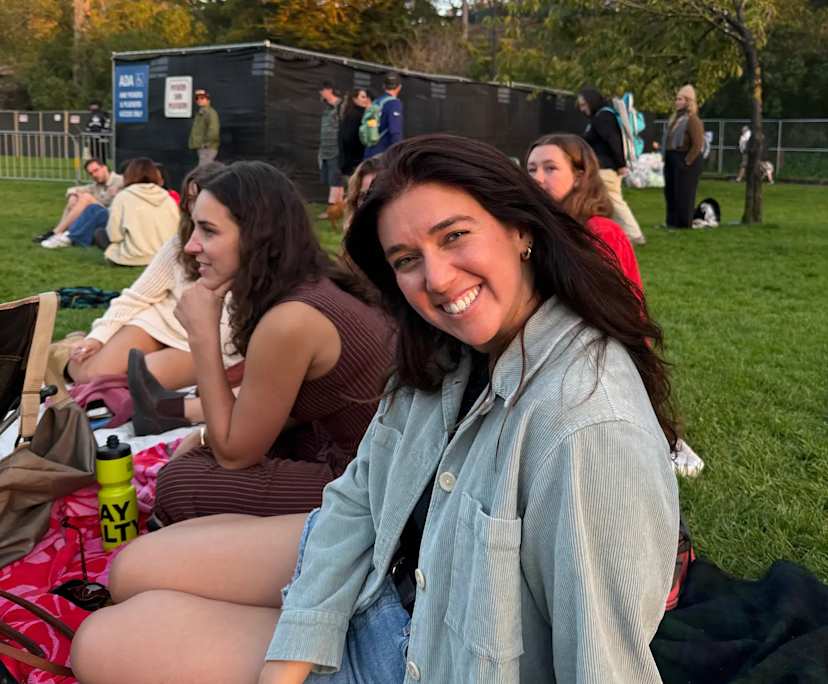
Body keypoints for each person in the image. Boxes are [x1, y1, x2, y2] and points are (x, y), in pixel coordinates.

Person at [72, 135, 680, 684]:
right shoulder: (446, 351)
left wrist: (203, 338)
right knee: (131, 570)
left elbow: (603, 664)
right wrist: (292, 655)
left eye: (454, 236)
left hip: (424, 651)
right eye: (406, 259)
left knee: (103, 640)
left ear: (521, 230)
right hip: (387, 556)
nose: (437, 278)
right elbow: (361, 498)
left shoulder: (585, 425)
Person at [129, 160, 393, 526]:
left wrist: (202, 336)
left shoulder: (291, 319)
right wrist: (204, 436)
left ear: (257, 236)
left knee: (178, 482)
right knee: (208, 450)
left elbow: (235, 455)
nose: (190, 246)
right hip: (361, 455)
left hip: (371, 485)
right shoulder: (311, 285)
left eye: (208, 230)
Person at [65, 163, 240, 390]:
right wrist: (98, 336)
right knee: (89, 373)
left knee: (137, 383)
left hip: (204, 341)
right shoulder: (181, 241)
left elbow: (112, 234)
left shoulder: (248, 250)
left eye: (201, 199)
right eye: (190, 200)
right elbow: (137, 295)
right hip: (159, 321)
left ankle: (72, 348)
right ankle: (69, 346)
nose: (195, 207)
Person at [526, 133, 642, 291]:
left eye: (550, 168)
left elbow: (613, 300)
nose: (537, 178)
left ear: (579, 177)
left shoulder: (601, 232)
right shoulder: (528, 226)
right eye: (532, 170)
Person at [577, 86, 646, 245]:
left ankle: (634, 234)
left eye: (583, 104)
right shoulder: (603, 116)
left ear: (592, 102)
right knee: (605, 201)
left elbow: (613, 141)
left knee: (614, 200)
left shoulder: (603, 118)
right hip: (605, 167)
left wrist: (621, 164)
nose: (582, 109)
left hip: (607, 168)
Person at [93, 158, 180, 266]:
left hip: (133, 257)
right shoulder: (168, 198)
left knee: (99, 234)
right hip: (164, 256)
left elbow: (114, 235)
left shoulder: (123, 197)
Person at [38, 158, 123, 247]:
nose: (94, 175)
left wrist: (118, 192)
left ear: (104, 168)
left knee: (86, 198)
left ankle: (59, 233)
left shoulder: (120, 180)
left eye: (96, 170)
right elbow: (72, 189)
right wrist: (73, 196)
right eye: (91, 173)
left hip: (115, 217)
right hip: (101, 217)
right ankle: (62, 232)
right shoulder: (96, 186)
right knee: (76, 198)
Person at [663, 84, 705, 228]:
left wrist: (687, 161)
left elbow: (698, 144)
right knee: (671, 192)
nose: (677, 102)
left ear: (688, 101)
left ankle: (683, 223)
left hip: (685, 158)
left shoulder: (692, 120)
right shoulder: (675, 119)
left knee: (684, 193)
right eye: (676, 99)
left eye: (680, 99)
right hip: (672, 157)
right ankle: (671, 222)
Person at [317, 81, 344, 219]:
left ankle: (332, 209)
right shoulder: (326, 108)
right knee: (332, 178)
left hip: (336, 148)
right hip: (325, 149)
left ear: (329, 90)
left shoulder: (341, 106)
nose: (320, 93)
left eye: (322, 90)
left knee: (335, 178)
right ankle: (338, 208)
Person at [363, 72, 403, 159]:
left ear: (383, 86)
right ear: (399, 87)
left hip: (370, 151)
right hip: (382, 154)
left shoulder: (376, 102)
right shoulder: (394, 103)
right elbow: (395, 131)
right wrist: (398, 152)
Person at [338, 88, 372, 178]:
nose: (366, 99)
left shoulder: (349, 113)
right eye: (363, 97)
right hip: (355, 160)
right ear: (354, 99)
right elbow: (348, 138)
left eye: (366, 97)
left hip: (349, 160)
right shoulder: (357, 115)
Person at [189, 88, 220, 166]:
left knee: (204, 169)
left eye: (202, 98)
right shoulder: (201, 112)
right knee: (205, 169)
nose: (199, 100)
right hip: (202, 148)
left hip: (207, 148)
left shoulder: (210, 113)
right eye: (197, 98)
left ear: (208, 100)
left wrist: (206, 144)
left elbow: (214, 130)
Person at [84, 100, 111, 165]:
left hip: (102, 139)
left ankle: (103, 168)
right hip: (92, 139)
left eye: (94, 105)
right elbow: (88, 126)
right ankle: (96, 167)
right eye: (91, 105)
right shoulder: (90, 115)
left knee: (102, 156)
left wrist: (104, 133)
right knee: (94, 156)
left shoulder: (104, 114)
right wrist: (87, 134)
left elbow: (107, 125)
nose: (92, 107)